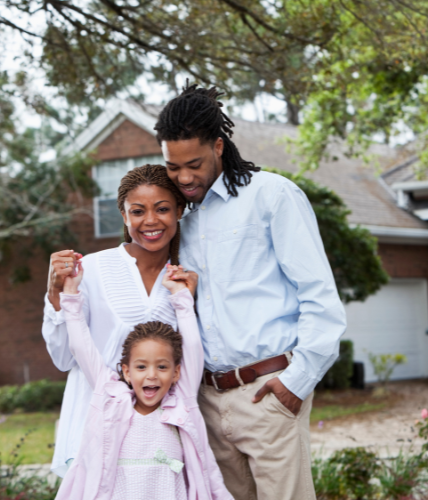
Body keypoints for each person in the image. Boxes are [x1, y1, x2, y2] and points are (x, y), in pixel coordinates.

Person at [153, 83, 348, 500]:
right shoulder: (178, 216)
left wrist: (295, 383)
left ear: (219, 146)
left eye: (195, 164)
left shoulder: (271, 196)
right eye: (173, 167)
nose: (184, 177)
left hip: (268, 392)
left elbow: (320, 296)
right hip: (206, 399)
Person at [42, 164, 197, 477]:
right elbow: (62, 359)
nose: (150, 221)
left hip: (159, 436)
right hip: (96, 426)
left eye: (163, 209)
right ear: (124, 217)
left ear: (179, 211)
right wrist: (55, 293)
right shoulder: (92, 270)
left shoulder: (186, 277)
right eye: (137, 211)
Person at [54, 263, 233, 500]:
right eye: (141, 367)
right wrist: (71, 294)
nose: (151, 375)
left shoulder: (181, 403)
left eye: (162, 366)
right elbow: (80, 347)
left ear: (176, 373)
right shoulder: (111, 398)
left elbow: (192, 347)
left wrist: (181, 297)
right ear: (126, 372)